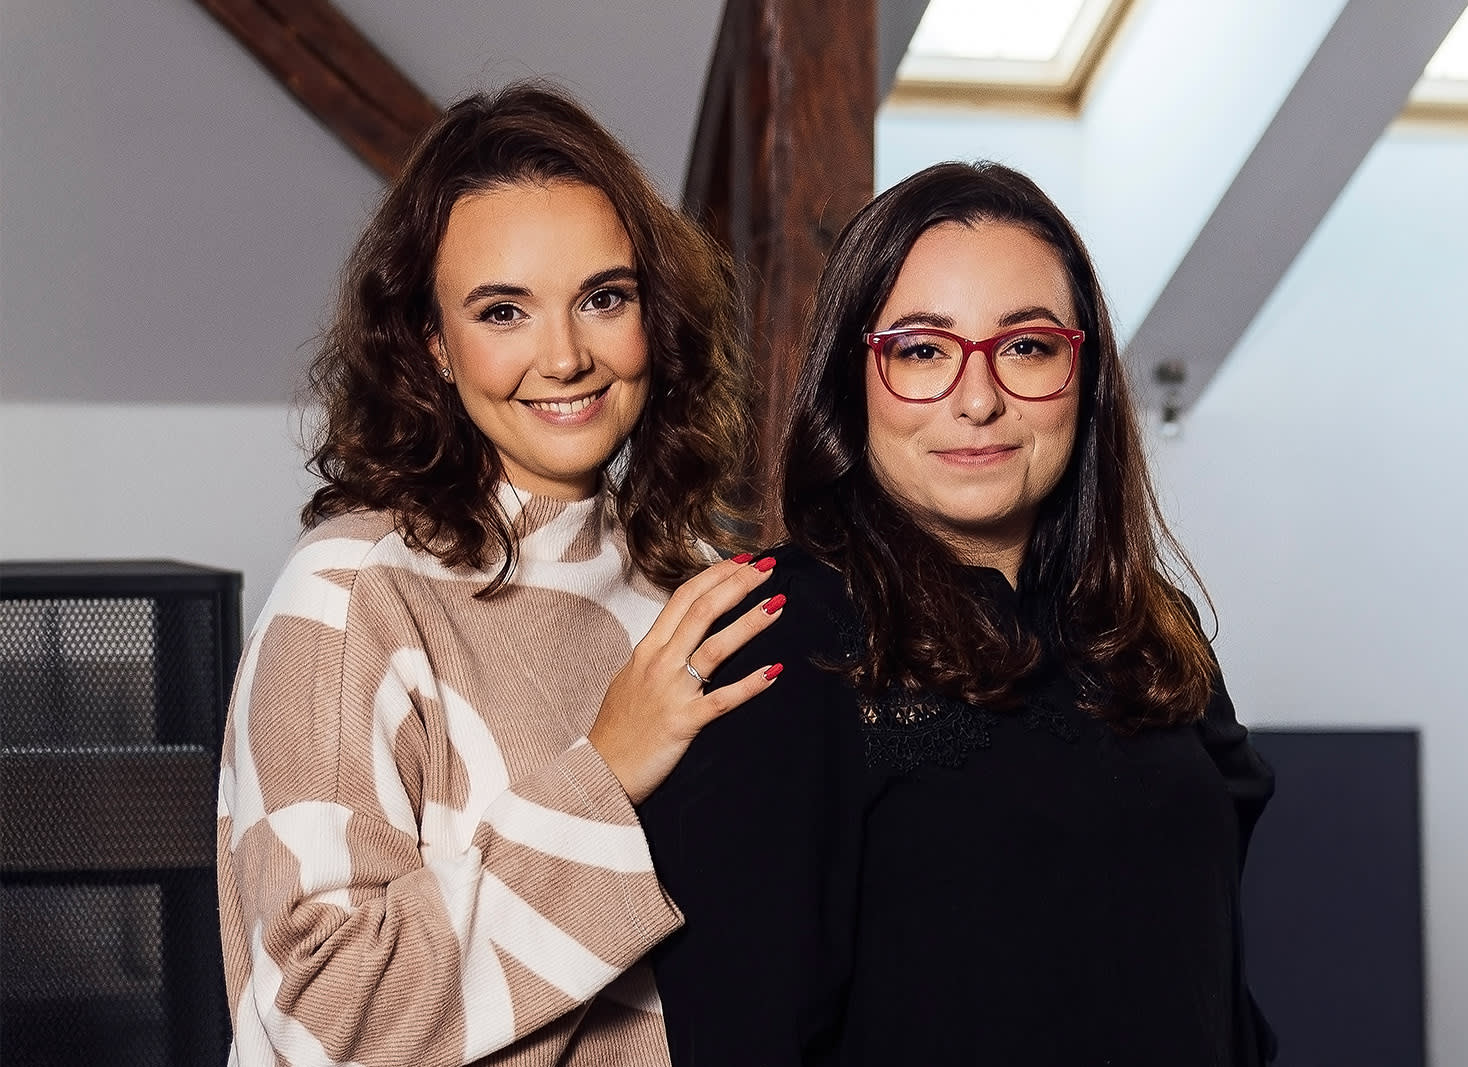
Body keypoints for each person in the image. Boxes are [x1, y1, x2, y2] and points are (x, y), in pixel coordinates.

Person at [641, 161, 1276, 1066]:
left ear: (1084, 372)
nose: (978, 400)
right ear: (852, 378)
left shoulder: (1150, 630)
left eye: (1027, 347)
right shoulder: (776, 629)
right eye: (922, 351)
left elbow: (1217, 993)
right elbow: (738, 1035)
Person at [216, 82, 789, 1067]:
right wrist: (606, 773)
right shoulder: (353, 590)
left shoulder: (692, 585)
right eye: (503, 311)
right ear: (433, 343)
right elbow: (317, 1017)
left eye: (603, 299)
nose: (564, 357)